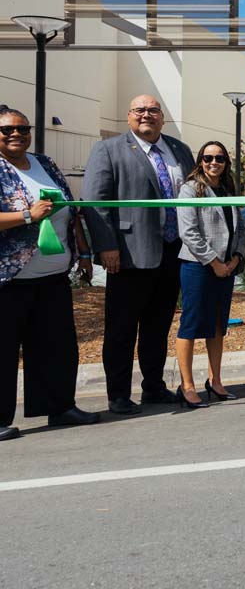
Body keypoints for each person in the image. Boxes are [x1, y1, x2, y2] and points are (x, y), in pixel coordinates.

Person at [83, 94, 196, 415]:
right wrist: (106, 246)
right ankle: (118, 394)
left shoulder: (179, 150)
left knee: (157, 327)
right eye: (140, 110)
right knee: (121, 329)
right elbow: (94, 201)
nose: (147, 115)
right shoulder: (108, 149)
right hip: (128, 255)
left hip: (174, 253)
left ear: (162, 117)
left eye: (153, 110)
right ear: (129, 115)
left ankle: (153, 387)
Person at [0, 106, 100, 441]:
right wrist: (28, 215)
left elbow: (70, 210)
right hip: (9, 280)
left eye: (23, 128)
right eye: (7, 130)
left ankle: (60, 407)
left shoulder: (45, 163)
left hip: (53, 276)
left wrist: (83, 253)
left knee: (57, 347)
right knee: (3, 351)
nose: (16, 134)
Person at [175, 141, 245, 409]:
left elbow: (240, 230)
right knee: (191, 326)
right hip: (199, 267)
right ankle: (187, 386)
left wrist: (236, 258)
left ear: (226, 162)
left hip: (227, 268)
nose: (213, 162)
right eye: (208, 158)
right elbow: (188, 232)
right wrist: (214, 262)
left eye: (219, 158)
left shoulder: (228, 190)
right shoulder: (190, 189)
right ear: (200, 161)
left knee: (218, 327)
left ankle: (215, 381)